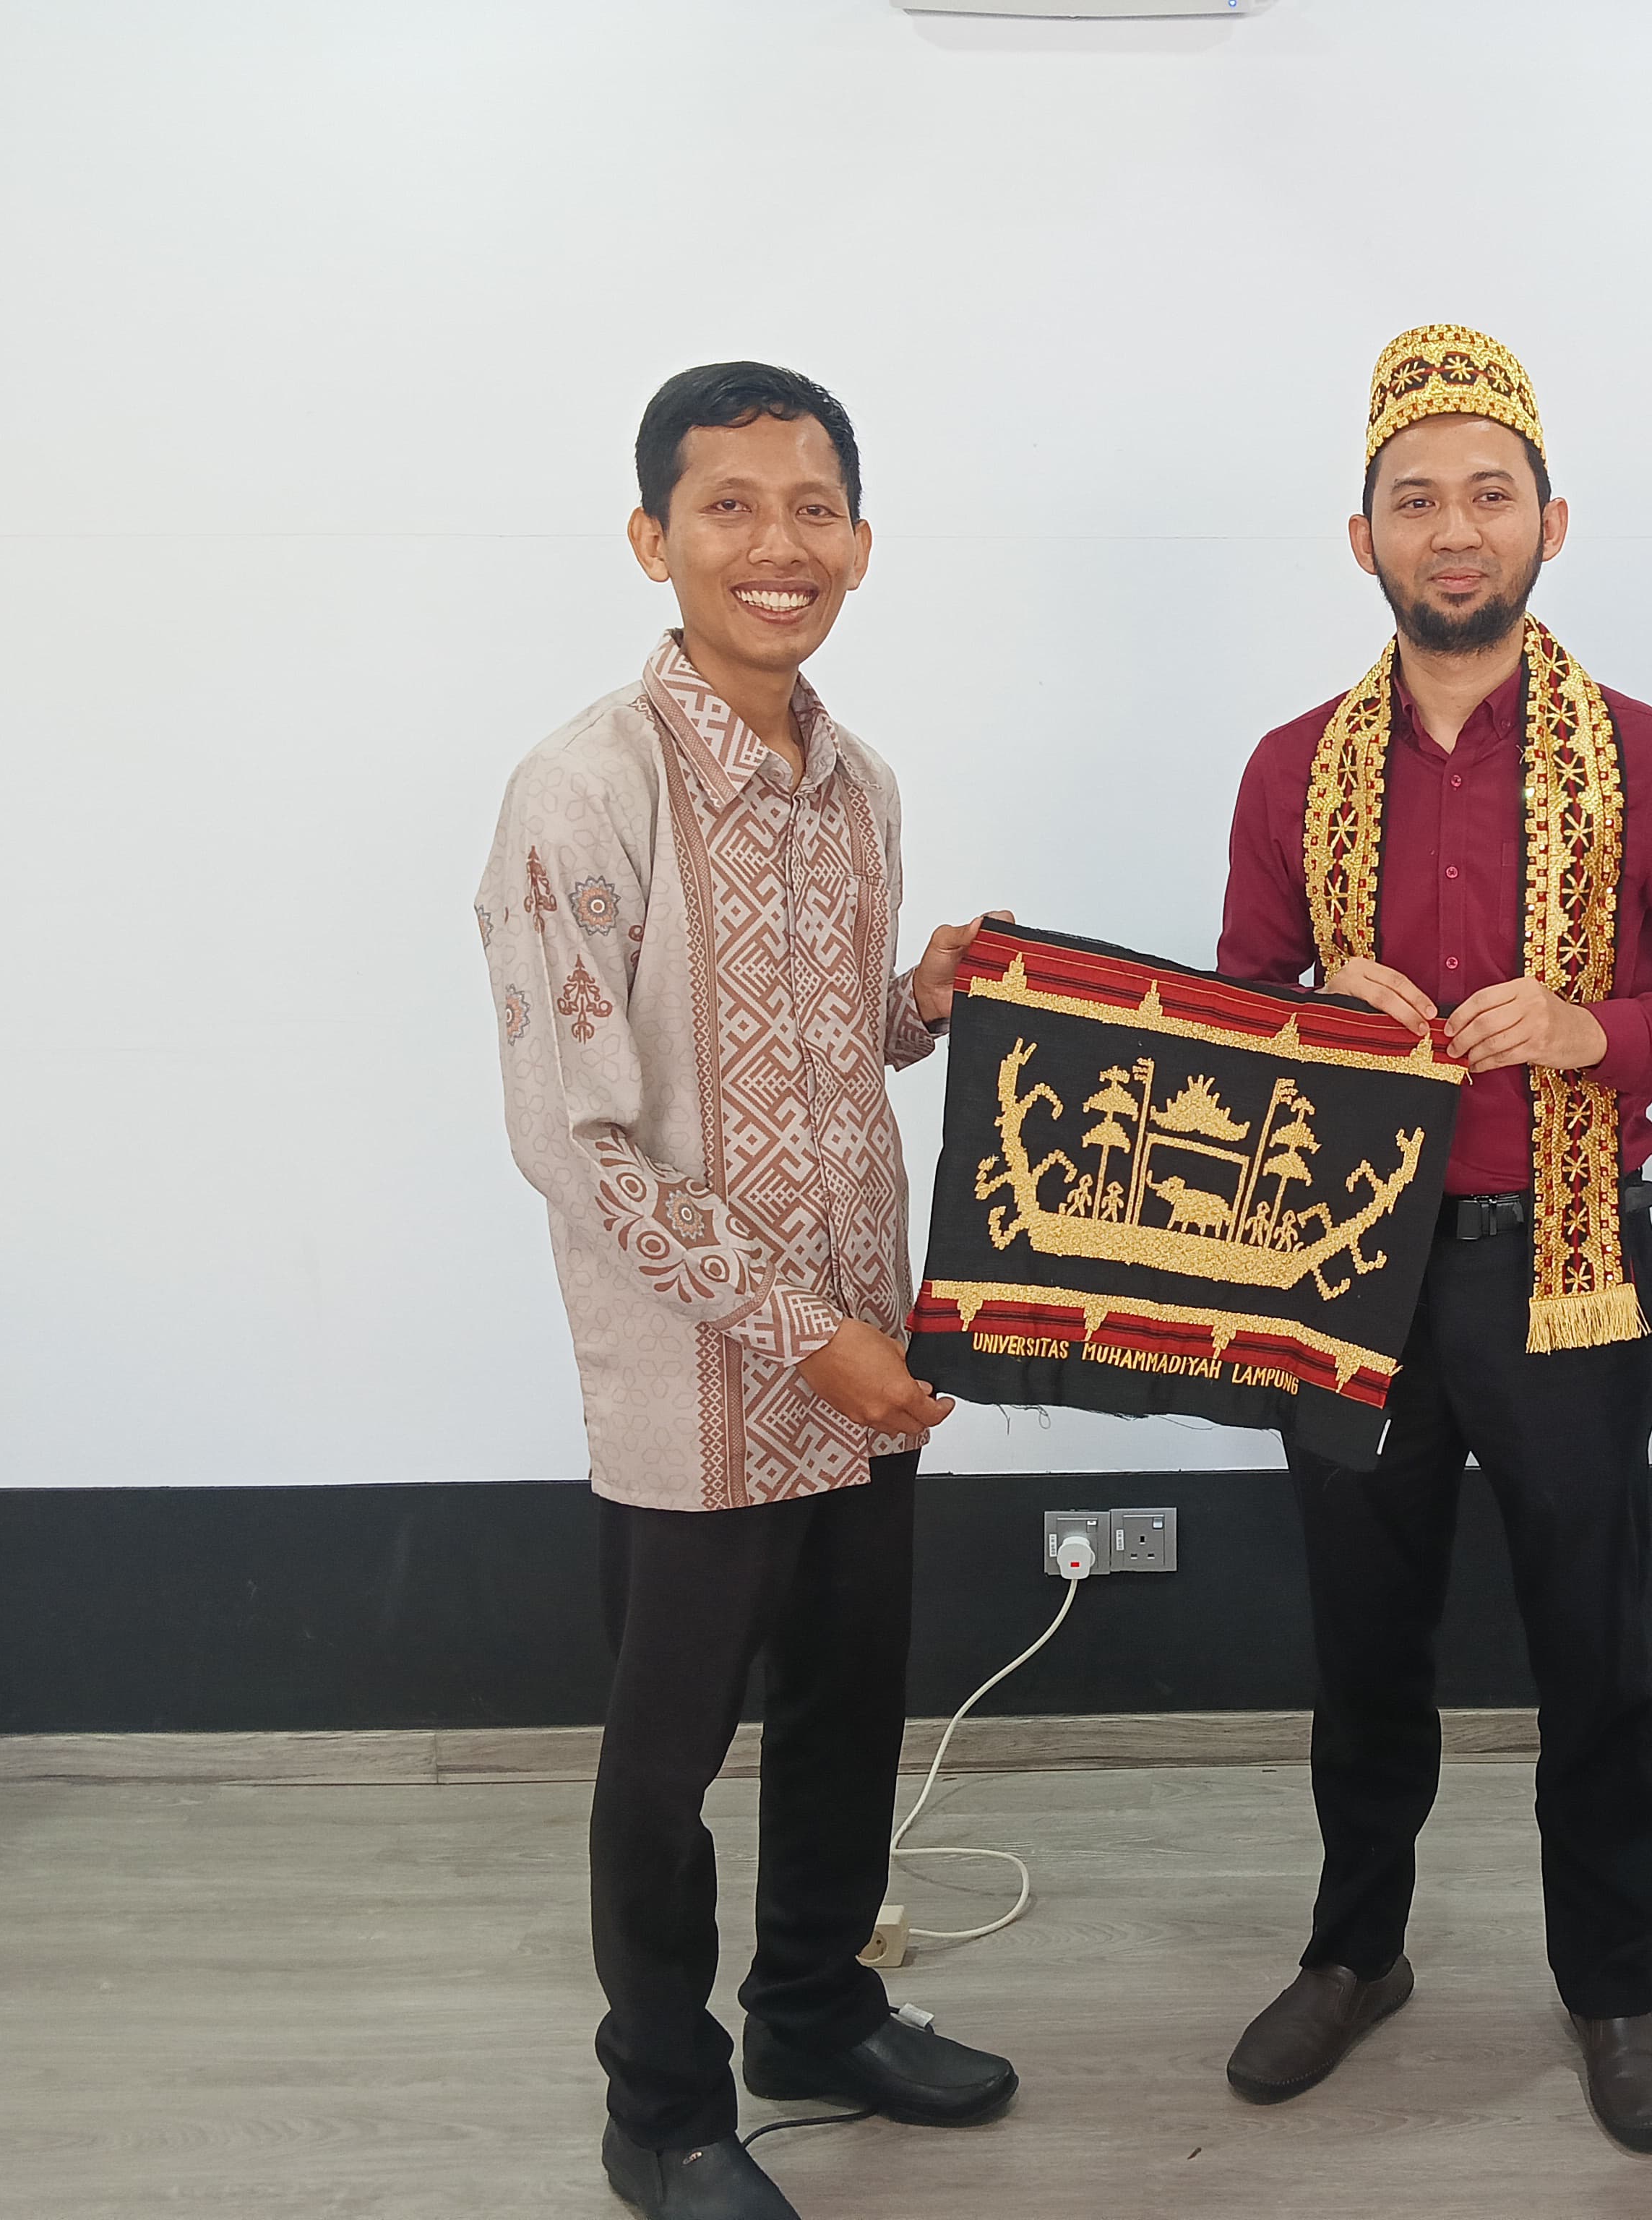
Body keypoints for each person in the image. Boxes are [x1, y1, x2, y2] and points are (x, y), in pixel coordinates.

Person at [1214, 324, 1652, 2154]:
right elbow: (1233, 1005)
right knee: (1363, 1634)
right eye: (1415, 500)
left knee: (1591, 1641)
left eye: (1488, 495)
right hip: (1346, 1267)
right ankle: (1354, 1953)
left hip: (1567, 1261)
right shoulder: (1291, 769)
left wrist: (1592, 1031)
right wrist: (1318, 1009)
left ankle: (1613, 1983)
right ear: (1361, 537)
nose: (1453, 530)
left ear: (1551, 521)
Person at [476, 363, 1018, 2220]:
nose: (776, 546)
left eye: (813, 509)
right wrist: (810, 1340)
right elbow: (579, 1143)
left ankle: (812, 2011)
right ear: (656, 539)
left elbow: (828, 1046)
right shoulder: (581, 789)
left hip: (875, 1352)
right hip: (704, 1376)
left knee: (851, 1709)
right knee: (668, 1761)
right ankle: (659, 2107)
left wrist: (921, 1001)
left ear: (860, 544)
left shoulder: (862, 785)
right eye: (730, 506)